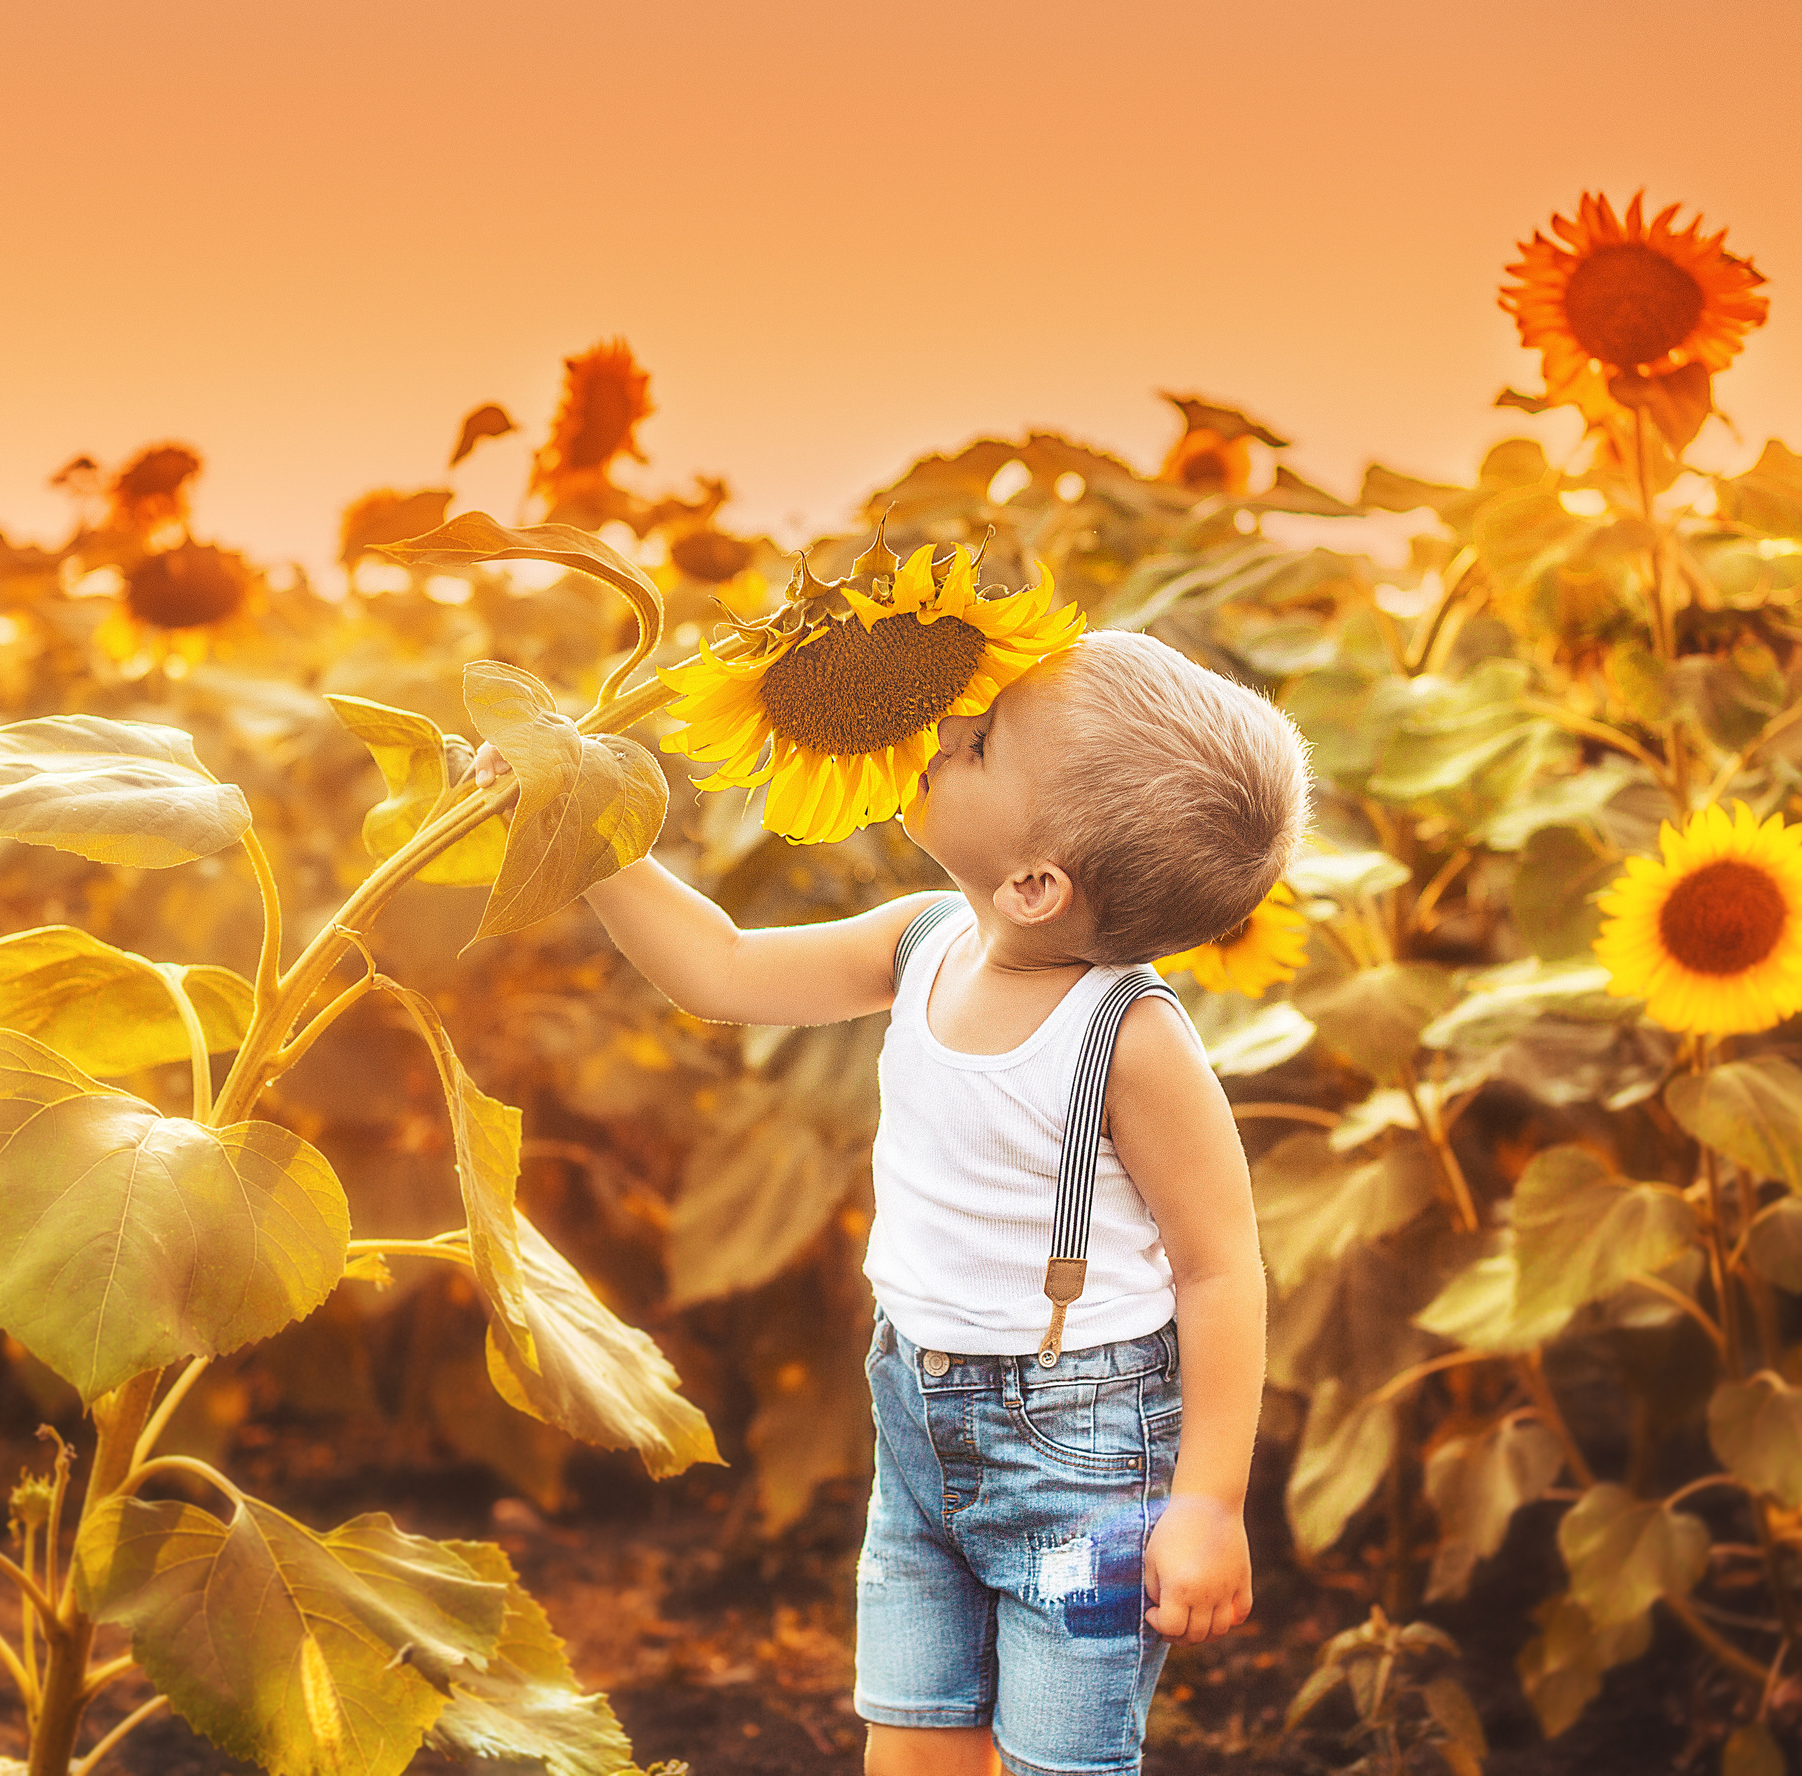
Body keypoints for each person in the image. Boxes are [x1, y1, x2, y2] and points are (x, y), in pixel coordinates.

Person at [473, 627, 1309, 1776]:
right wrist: (577, 821)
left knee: (1061, 1759)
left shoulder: (1130, 1042)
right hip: (918, 1409)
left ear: (1035, 884)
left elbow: (1219, 1267)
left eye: (972, 743)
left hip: (1084, 1450)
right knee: (911, 1728)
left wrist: (1208, 1503)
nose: (932, 730)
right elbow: (718, 969)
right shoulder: (919, 942)